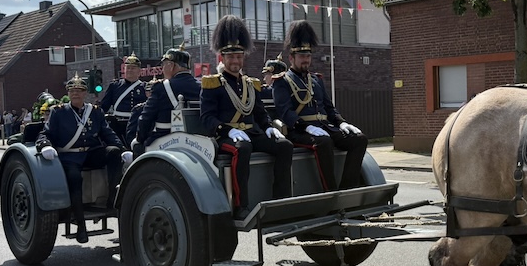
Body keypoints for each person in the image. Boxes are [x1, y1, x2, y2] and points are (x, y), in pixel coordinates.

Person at [200, 16, 293, 219]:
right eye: (231, 57)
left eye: (239, 57)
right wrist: (228, 130)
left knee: (284, 146)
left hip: (252, 132)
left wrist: (268, 127)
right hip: (227, 136)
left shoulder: (250, 83)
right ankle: (241, 206)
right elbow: (207, 118)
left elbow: (259, 112)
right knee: (242, 149)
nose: (235, 61)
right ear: (222, 58)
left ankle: (280, 199)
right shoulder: (212, 83)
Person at [272, 20, 367, 191]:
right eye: (302, 56)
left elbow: (329, 108)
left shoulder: (316, 79)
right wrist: (307, 127)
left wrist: (342, 123)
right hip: (300, 131)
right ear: (291, 58)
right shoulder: (282, 81)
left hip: (324, 127)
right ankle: (330, 192)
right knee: (324, 142)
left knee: (359, 140)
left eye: (308, 56)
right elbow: (285, 112)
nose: (306, 60)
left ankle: (348, 188)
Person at [35, 74, 131, 243]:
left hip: (91, 153)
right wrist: (45, 146)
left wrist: (123, 150)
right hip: (69, 156)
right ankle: (80, 225)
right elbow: (46, 133)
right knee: (74, 177)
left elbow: (107, 133)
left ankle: (111, 200)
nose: (75, 94)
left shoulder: (95, 111)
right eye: (72, 91)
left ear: (85, 93)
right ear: (68, 93)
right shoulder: (59, 112)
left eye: (79, 91)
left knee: (113, 152)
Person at [135, 44, 201, 149]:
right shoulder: (201, 86)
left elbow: (145, 119)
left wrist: (140, 139)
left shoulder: (161, 87)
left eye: (164, 65)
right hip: (199, 142)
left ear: (171, 65)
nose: (162, 69)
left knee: (137, 146)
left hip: (164, 140)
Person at [100, 54, 147, 142]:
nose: (130, 70)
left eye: (133, 68)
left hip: (137, 124)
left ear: (139, 71)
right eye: (128, 68)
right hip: (118, 125)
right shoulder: (115, 86)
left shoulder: (145, 87)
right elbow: (104, 106)